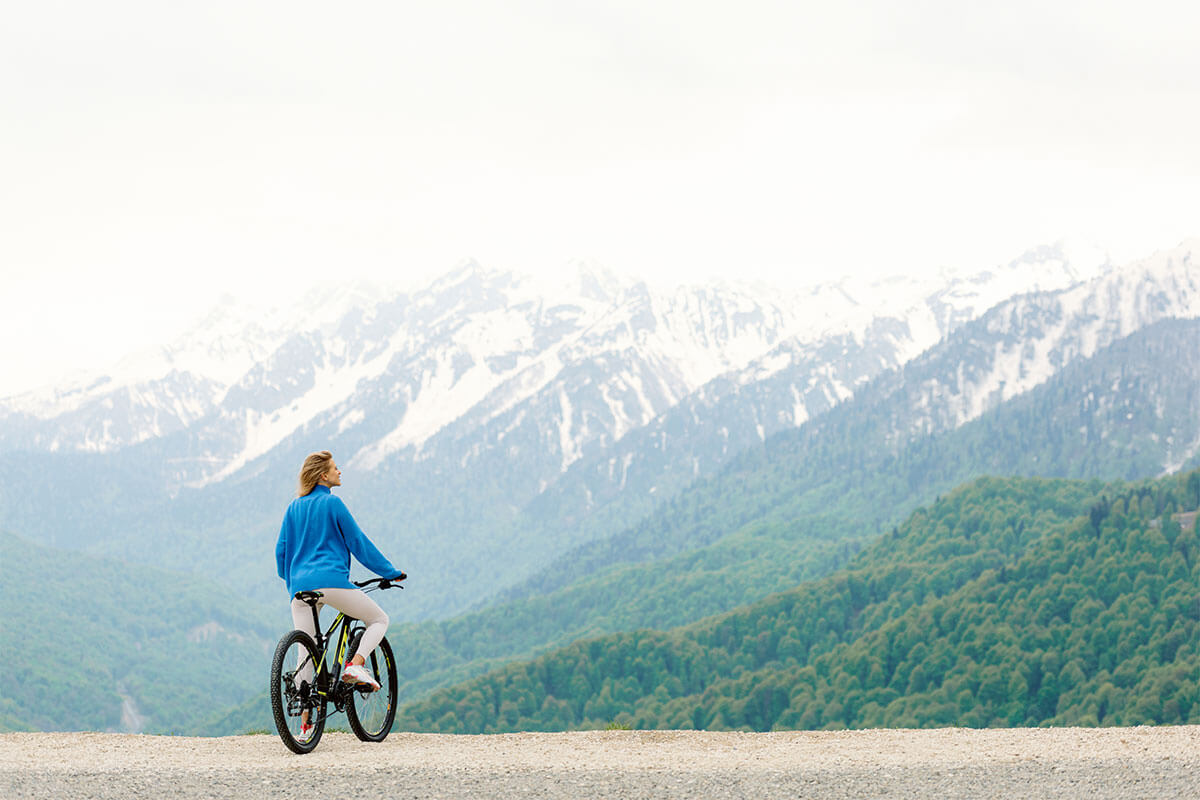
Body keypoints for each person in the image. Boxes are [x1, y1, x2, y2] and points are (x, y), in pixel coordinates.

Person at [275, 451, 404, 705]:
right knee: (379, 619)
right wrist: (389, 572)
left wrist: (293, 579)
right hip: (332, 582)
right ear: (323, 475)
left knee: (307, 652)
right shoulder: (333, 504)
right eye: (335, 468)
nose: (339, 471)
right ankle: (355, 665)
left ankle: (304, 727)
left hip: (299, 589)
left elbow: (281, 553)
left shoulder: (293, 508)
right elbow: (358, 543)